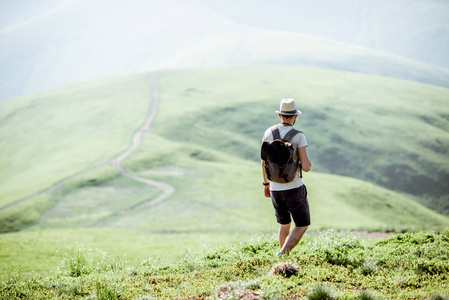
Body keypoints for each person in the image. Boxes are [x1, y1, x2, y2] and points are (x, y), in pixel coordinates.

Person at [261, 98, 312, 256]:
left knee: (284, 223)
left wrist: (266, 185)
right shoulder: (298, 136)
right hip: (294, 188)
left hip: (275, 188)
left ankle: (283, 258)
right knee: (302, 224)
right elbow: (306, 167)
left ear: (280, 116)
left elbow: (263, 163)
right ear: (295, 116)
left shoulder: (268, 133)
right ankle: (283, 253)